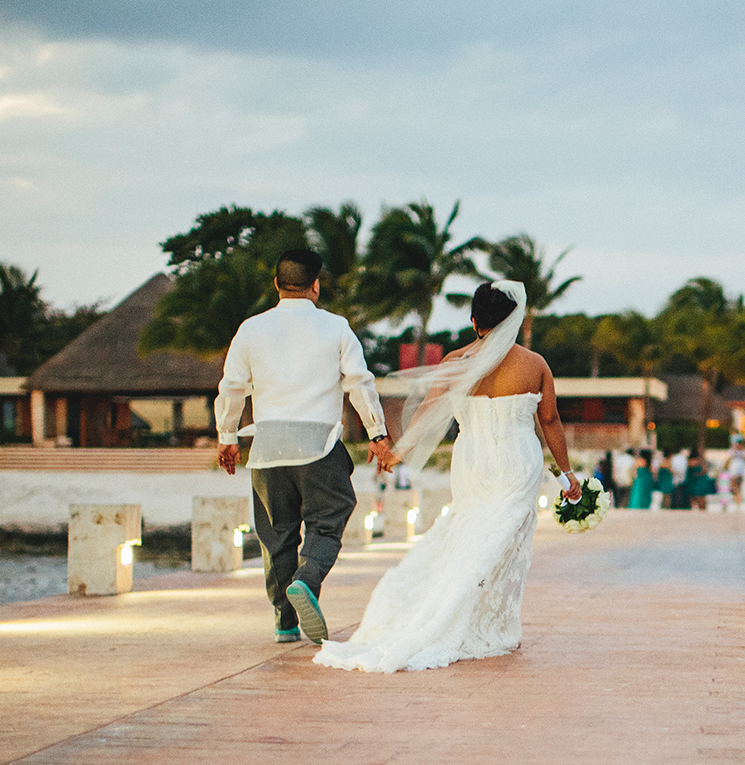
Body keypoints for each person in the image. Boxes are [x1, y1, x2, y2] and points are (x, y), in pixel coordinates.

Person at [314, 281, 581, 673]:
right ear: (513, 319)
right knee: (504, 540)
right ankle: (491, 623)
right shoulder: (535, 364)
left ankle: (482, 619)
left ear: (474, 321)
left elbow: (426, 413)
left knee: (472, 534)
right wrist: (567, 473)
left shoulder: (455, 362)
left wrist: (397, 452)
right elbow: (550, 420)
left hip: (472, 461)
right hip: (516, 462)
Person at [215, 247, 396, 645]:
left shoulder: (250, 329)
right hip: (320, 444)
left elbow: (231, 388)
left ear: (277, 284)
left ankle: (284, 622)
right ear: (316, 285)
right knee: (330, 515)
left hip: (267, 447)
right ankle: (308, 578)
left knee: (277, 534)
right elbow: (359, 383)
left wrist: (228, 438)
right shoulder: (336, 327)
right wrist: (378, 435)